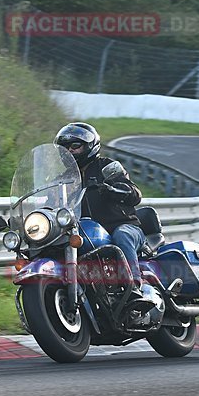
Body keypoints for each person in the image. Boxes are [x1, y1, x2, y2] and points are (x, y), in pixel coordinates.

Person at [54, 122, 151, 307]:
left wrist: (117, 189)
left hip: (123, 226)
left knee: (121, 235)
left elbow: (134, 193)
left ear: (90, 146)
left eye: (75, 146)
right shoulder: (62, 179)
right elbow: (48, 200)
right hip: (83, 231)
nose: (70, 151)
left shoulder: (107, 167)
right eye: (65, 148)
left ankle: (134, 290)